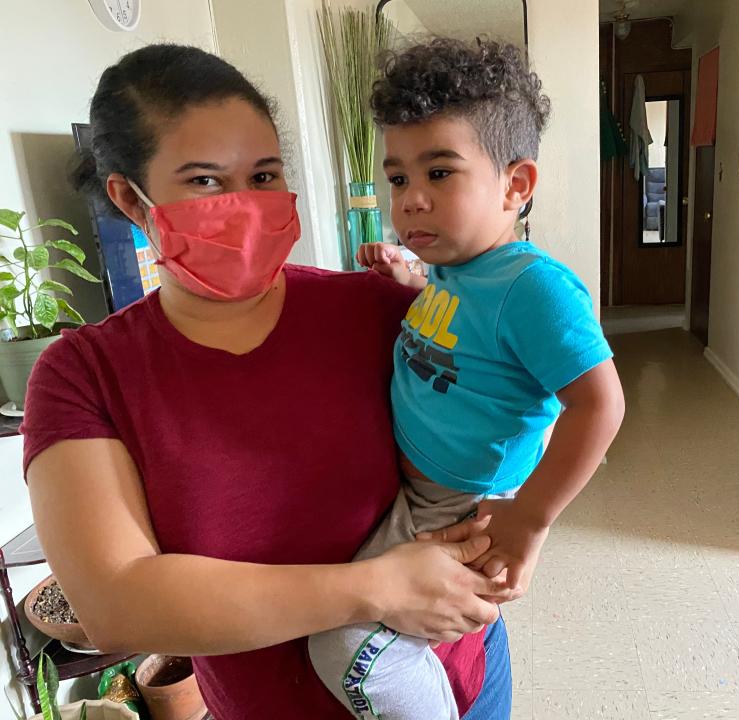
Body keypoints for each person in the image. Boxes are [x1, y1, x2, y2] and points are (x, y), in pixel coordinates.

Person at [22, 43, 514, 720]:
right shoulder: (84, 375)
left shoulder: (376, 310)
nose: (245, 206)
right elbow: (117, 603)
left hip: (456, 676)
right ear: (130, 200)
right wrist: (370, 590)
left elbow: (494, 436)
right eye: (204, 181)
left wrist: (515, 540)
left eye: (263, 174)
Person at [309, 38, 625, 720]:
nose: (412, 200)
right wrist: (412, 282)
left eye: (440, 174)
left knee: (344, 644)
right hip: (412, 481)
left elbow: (600, 406)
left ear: (516, 185)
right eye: (398, 180)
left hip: (451, 504)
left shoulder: (534, 287)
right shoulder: (458, 270)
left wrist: (529, 522)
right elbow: (466, 329)